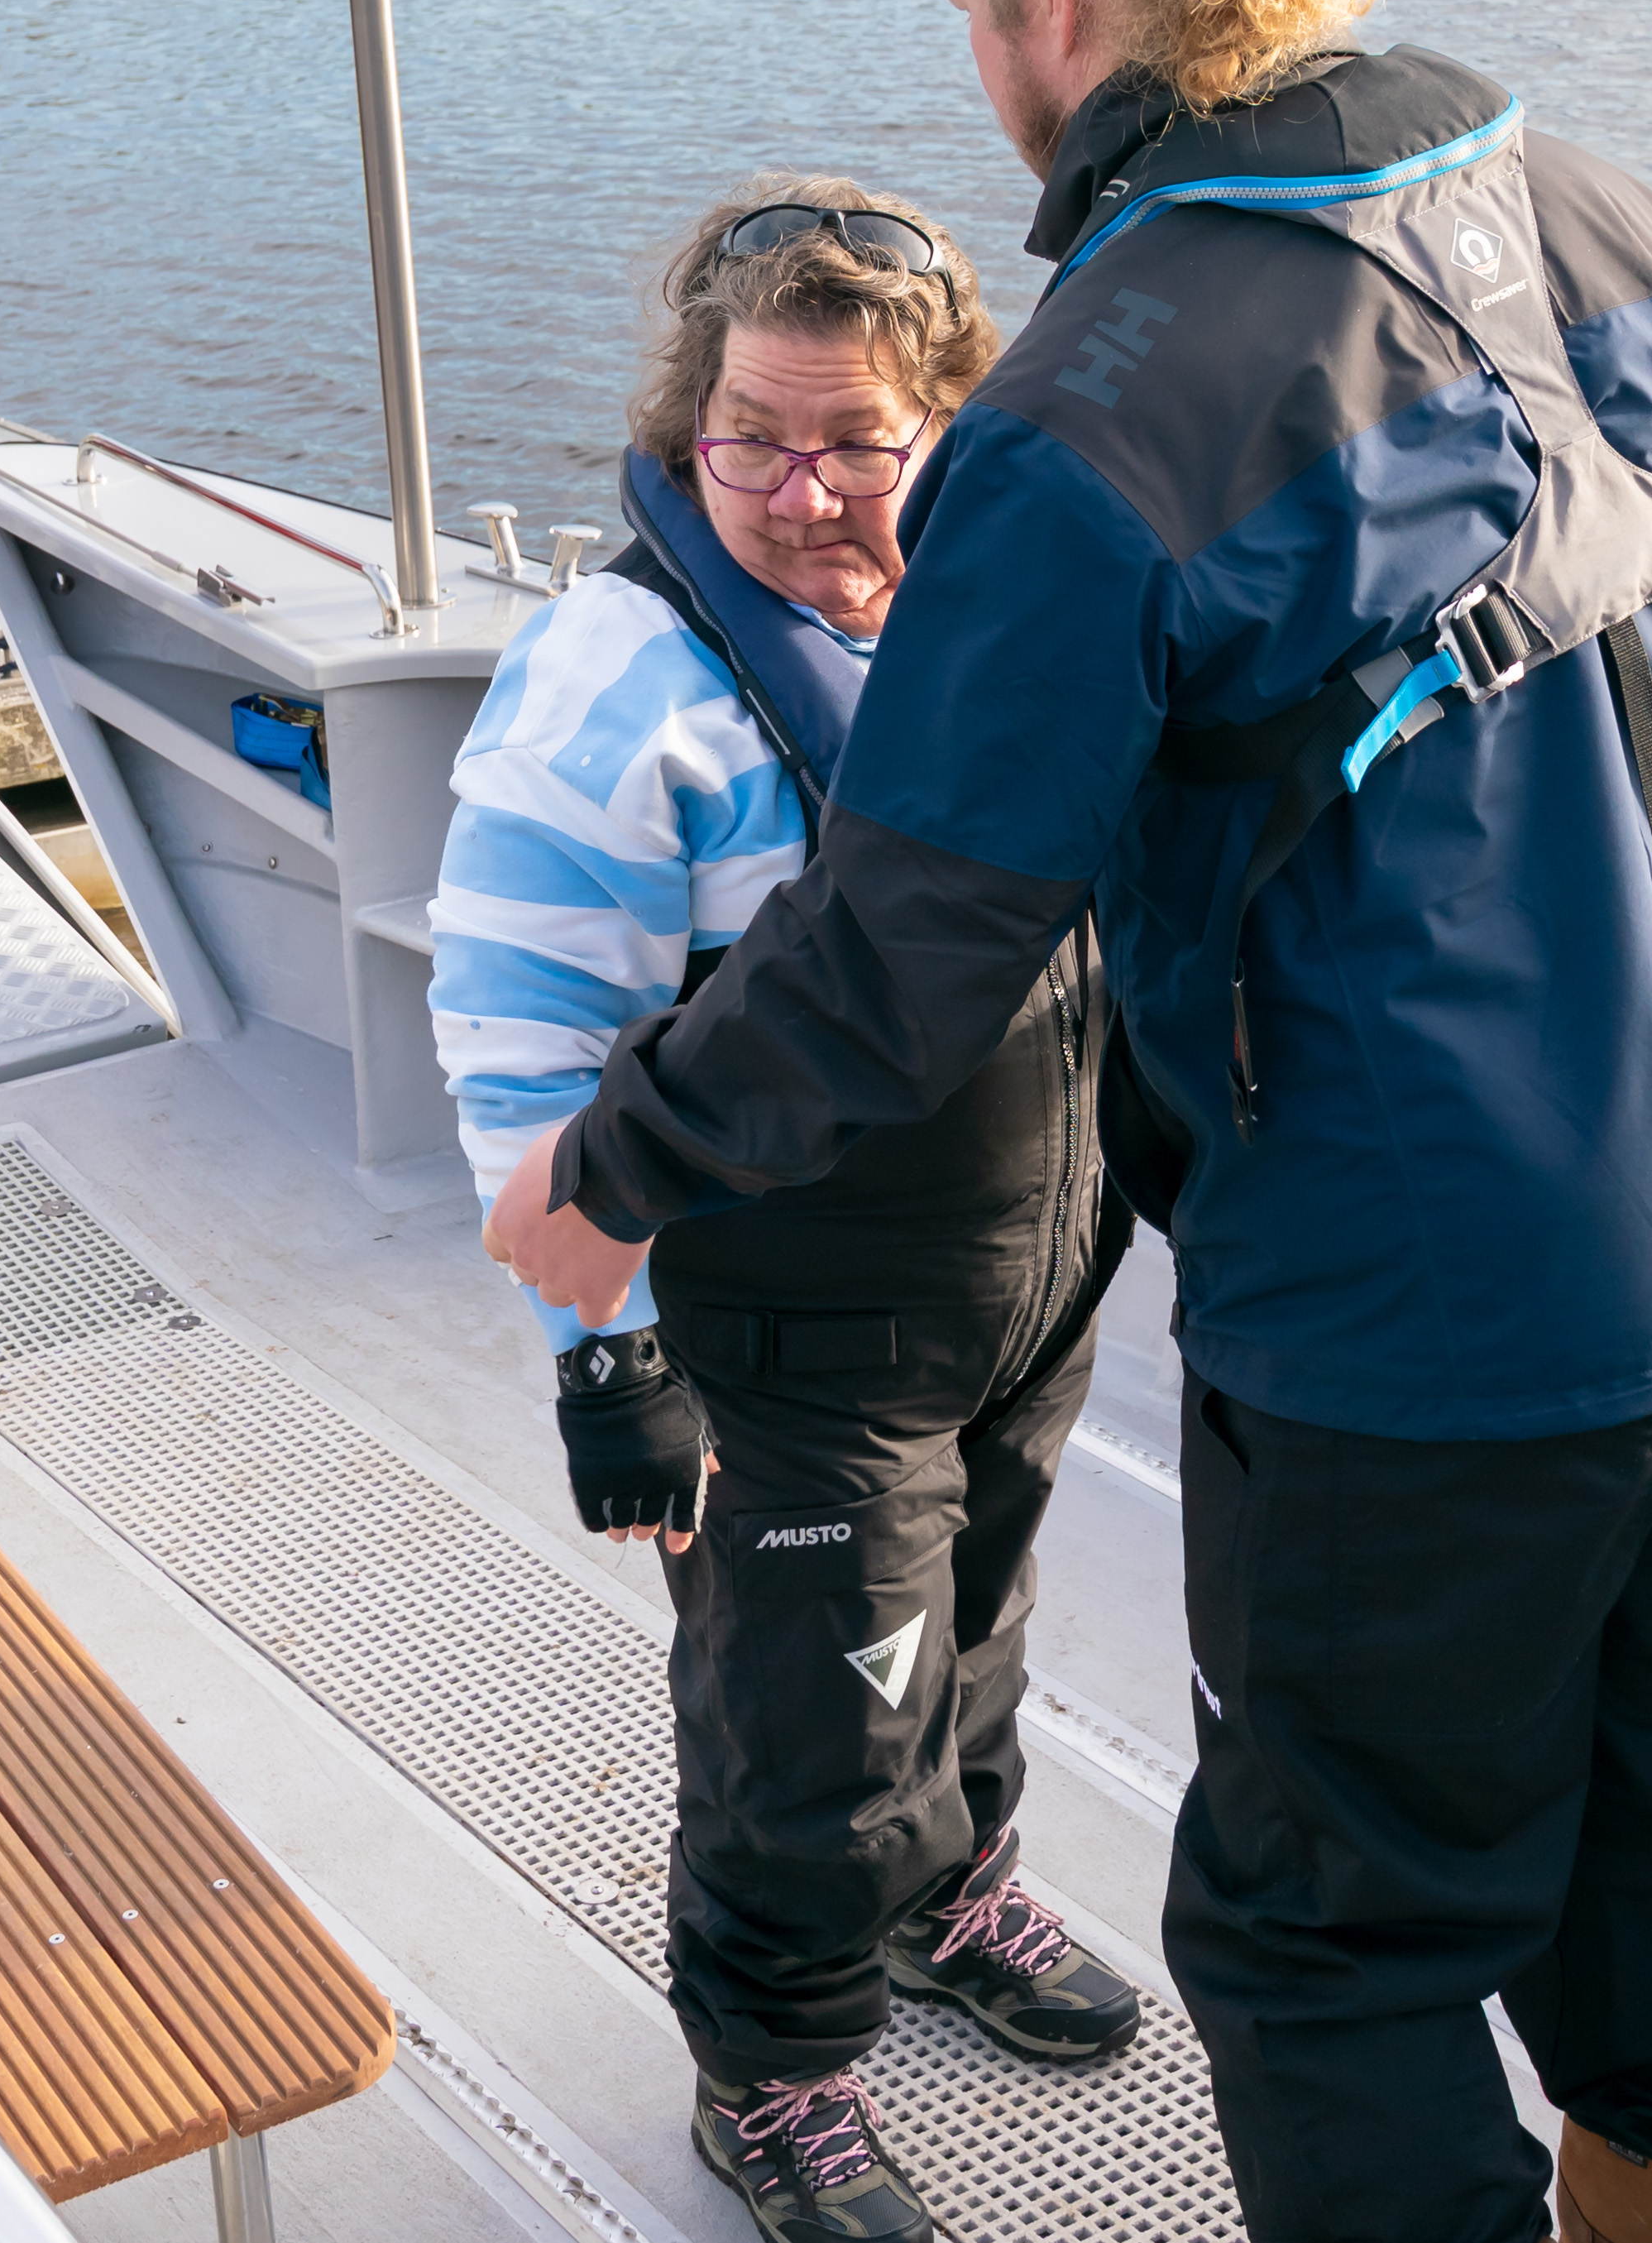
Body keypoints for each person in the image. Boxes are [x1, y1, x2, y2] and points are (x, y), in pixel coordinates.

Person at [487, 0, 1652, 2243]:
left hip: (1440, 1317)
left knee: (1328, 1944)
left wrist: (612, 1173)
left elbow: (908, 944)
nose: (976, 60)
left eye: (963, 4)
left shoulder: (1098, 402)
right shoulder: (1627, 215)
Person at [429, 182, 1147, 2242]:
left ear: (954, 431)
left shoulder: (989, 610)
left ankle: (950, 1898)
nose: (803, 494)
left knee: (975, 1637)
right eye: (750, 437)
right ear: (684, 425)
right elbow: (521, 1055)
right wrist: (612, 1365)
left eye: (858, 443)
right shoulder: (618, 694)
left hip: (1015, 1290)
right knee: (808, 1719)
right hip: (786, 1338)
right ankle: (776, 2068)